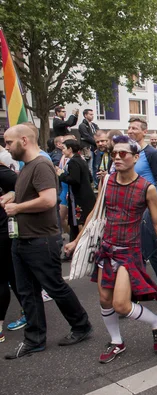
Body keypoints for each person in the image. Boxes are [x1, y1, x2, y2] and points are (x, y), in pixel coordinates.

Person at [65, 135, 157, 363]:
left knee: (121, 305)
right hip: (106, 249)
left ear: (135, 157)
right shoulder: (108, 181)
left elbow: (156, 223)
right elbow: (95, 212)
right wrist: (76, 241)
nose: (117, 157)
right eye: (114, 153)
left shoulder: (147, 188)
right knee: (105, 300)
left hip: (129, 252)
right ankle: (116, 341)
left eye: (123, 153)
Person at [1, 124, 92, 359]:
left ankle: (81, 325)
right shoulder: (28, 166)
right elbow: (31, 192)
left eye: (9, 142)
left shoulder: (41, 164)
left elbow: (49, 199)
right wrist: (13, 194)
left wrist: (17, 206)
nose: (6, 147)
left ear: (24, 140)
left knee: (54, 286)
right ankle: (34, 339)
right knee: (27, 291)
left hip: (40, 239)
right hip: (22, 239)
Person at [127, 117, 157, 297]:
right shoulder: (129, 153)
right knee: (140, 247)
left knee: (149, 248)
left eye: (135, 128)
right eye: (129, 127)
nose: (130, 131)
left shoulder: (151, 153)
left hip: (148, 206)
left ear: (144, 132)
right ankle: (155, 283)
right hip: (131, 207)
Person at [57, 139, 96, 240]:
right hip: (86, 196)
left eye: (64, 148)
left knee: (78, 222)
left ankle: (77, 244)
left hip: (78, 198)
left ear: (70, 149)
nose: (62, 151)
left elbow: (74, 180)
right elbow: (90, 178)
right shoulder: (81, 160)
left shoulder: (73, 162)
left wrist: (61, 174)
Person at [0, 164, 19, 343]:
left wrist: (13, 193)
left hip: (2, 233)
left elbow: (24, 184)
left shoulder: (1, 171)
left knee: (6, 276)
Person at [78, 109, 98, 173]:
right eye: (90, 114)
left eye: (93, 114)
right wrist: (97, 143)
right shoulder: (82, 125)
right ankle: (91, 182)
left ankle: (96, 182)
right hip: (88, 148)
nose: (92, 116)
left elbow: (98, 134)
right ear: (85, 115)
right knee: (90, 167)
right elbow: (87, 137)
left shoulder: (94, 125)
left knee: (96, 166)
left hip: (95, 148)